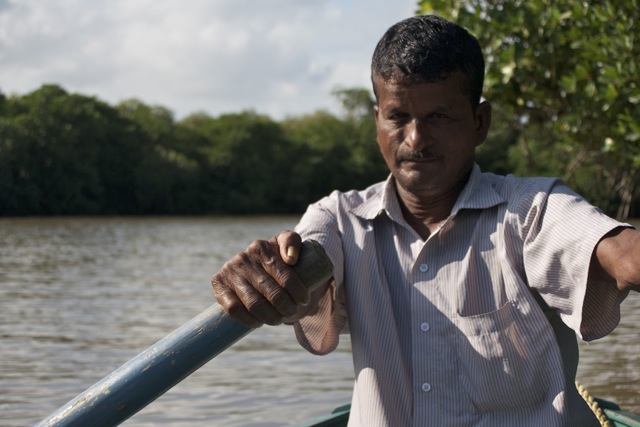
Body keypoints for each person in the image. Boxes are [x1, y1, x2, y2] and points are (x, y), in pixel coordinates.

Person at [211, 14, 640, 426]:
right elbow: (304, 270)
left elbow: (625, 256)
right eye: (398, 117)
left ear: (479, 122)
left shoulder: (531, 210)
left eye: (438, 117)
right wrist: (267, 273)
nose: (415, 139)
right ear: (377, 119)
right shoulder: (339, 218)